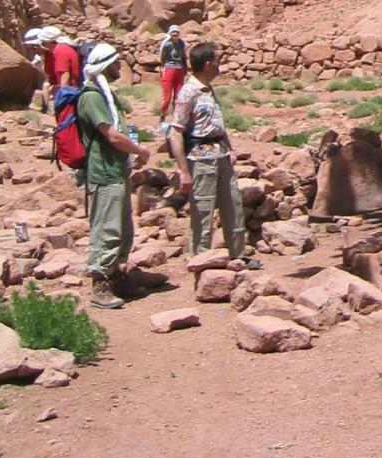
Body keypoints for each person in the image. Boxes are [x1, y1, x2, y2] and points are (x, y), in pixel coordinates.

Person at [169, 42, 261, 267]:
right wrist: (183, 171)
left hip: (220, 155)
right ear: (208, 64)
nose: (221, 65)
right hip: (200, 160)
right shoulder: (188, 92)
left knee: (233, 204)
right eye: (218, 61)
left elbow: (217, 125)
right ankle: (201, 259)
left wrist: (230, 149)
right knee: (203, 211)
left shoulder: (209, 89)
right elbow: (176, 132)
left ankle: (238, 254)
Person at [75, 43, 151, 309]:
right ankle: (100, 284)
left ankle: (117, 276)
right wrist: (139, 150)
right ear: (105, 66)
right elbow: (112, 135)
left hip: (117, 170)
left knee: (123, 229)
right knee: (107, 229)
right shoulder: (92, 97)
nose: (121, 67)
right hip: (105, 172)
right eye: (116, 63)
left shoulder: (107, 95)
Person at [38, 26, 81, 116]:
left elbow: (64, 76)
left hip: (70, 92)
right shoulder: (64, 48)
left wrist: (63, 98)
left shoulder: (59, 51)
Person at [157, 24, 188, 127]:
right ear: (170, 34)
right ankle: (162, 116)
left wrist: (185, 68)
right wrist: (162, 69)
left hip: (180, 69)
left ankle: (176, 117)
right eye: (173, 33)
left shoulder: (181, 43)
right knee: (167, 96)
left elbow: (184, 56)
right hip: (169, 69)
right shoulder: (167, 45)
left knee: (178, 96)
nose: (175, 35)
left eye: (176, 33)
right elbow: (162, 57)